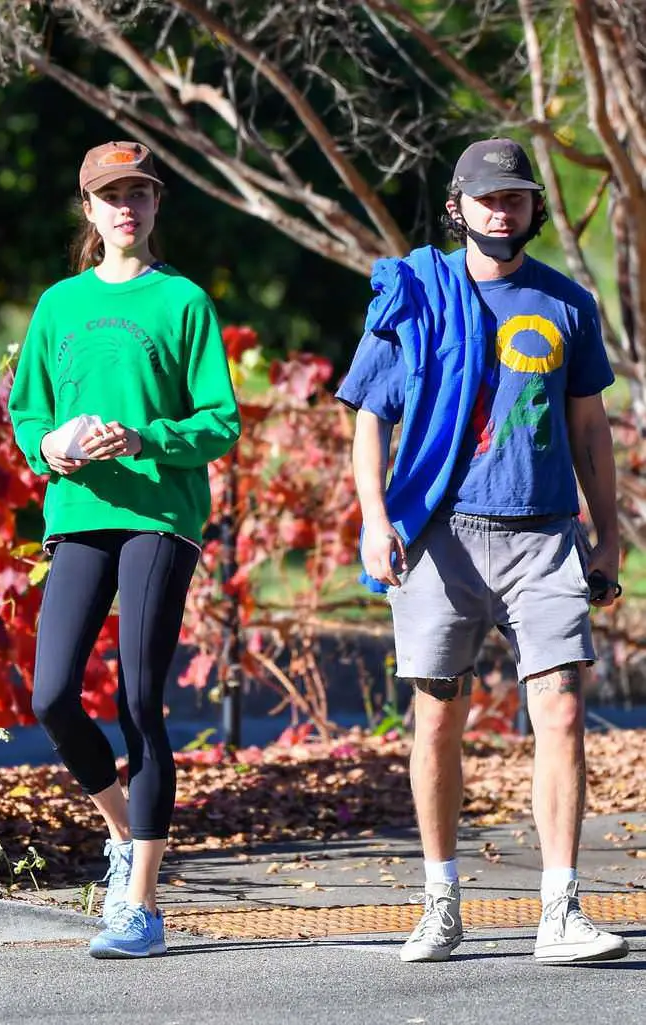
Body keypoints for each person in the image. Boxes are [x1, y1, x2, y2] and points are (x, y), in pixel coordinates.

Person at [336, 137, 628, 965]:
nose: (505, 211)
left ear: (536, 208)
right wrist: (372, 517)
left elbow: (587, 429)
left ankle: (561, 908)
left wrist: (605, 534)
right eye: (489, 198)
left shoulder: (567, 303)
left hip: (542, 536)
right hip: (441, 536)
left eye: (519, 198)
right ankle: (440, 901)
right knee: (438, 719)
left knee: (563, 710)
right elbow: (368, 416)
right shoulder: (417, 296)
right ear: (458, 207)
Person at [9, 140, 241, 959]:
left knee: (139, 697)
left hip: (160, 517)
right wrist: (53, 451)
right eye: (111, 195)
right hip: (79, 512)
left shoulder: (182, 302)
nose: (126, 207)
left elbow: (220, 420)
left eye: (139, 192)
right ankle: (123, 828)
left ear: (154, 204)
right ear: (89, 209)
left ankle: (139, 902)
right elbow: (26, 414)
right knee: (50, 695)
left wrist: (147, 434)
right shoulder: (58, 305)